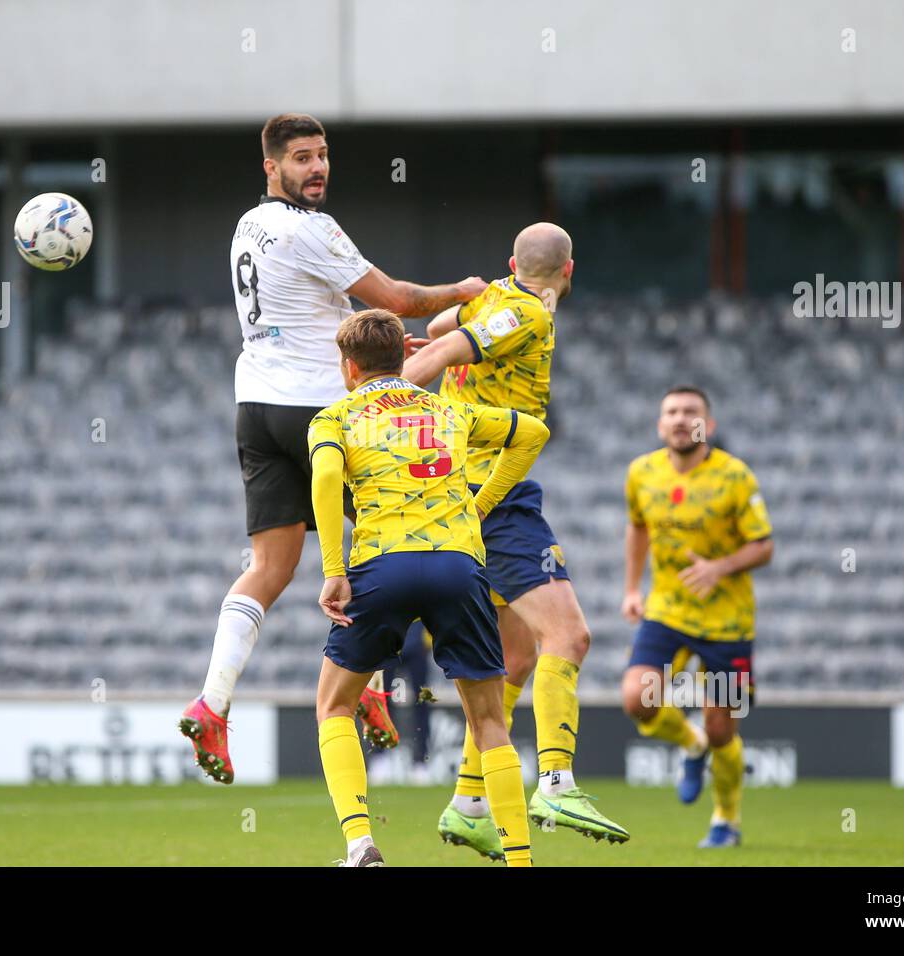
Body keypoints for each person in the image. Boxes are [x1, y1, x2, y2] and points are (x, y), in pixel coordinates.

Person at [179, 113, 488, 783]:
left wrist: (373, 349)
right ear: (273, 168)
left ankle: (214, 702)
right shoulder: (310, 228)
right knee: (389, 533)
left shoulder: (248, 223)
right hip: (320, 410)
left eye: (322, 156)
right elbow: (401, 298)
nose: (316, 168)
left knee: (269, 567)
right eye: (301, 158)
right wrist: (462, 295)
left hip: (256, 406)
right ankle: (371, 686)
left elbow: (307, 313)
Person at [402, 223, 629, 858]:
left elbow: (444, 329)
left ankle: (470, 800)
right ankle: (556, 779)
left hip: (461, 489)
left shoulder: (490, 296)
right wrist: (387, 394)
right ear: (570, 272)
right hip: (493, 493)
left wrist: (425, 344)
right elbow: (446, 350)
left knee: (516, 658)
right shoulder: (524, 311)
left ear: (509, 262)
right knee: (570, 636)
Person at [309, 309, 548, 866]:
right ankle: (520, 860)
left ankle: (361, 844)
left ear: (349, 367)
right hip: (457, 567)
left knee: (334, 706)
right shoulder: (448, 408)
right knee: (488, 720)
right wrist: (480, 503)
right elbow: (532, 433)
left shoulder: (335, 417)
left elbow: (323, 478)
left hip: (382, 567)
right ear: (404, 358)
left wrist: (332, 567)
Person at [620, 386, 774, 848]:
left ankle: (726, 820)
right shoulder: (641, 473)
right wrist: (631, 588)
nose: (681, 419)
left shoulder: (735, 477)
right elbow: (638, 527)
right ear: (659, 423)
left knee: (721, 726)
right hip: (667, 608)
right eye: (672, 411)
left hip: (727, 620)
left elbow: (763, 545)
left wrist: (718, 567)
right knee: (636, 698)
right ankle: (691, 744)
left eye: (692, 412)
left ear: (709, 424)